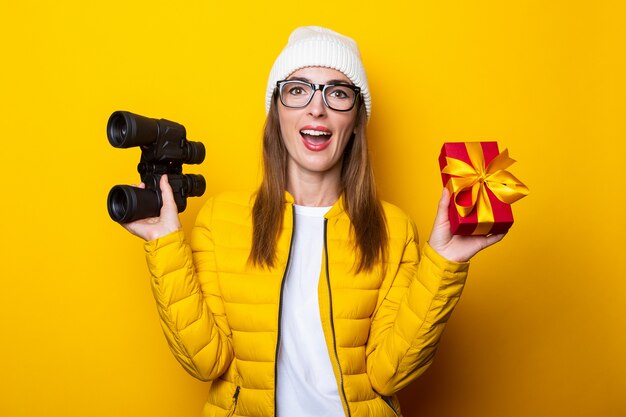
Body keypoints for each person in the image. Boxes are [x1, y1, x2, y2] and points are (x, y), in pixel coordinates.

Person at [121, 26, 505, 417]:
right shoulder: (220, 222)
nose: (316, 108)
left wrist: (445, 261)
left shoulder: (393, 229)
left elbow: (390, 374)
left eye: (338, 93)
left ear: (356, 119)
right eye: (298, 89)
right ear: (277, 112)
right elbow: (205, 362)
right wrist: (164, 242)